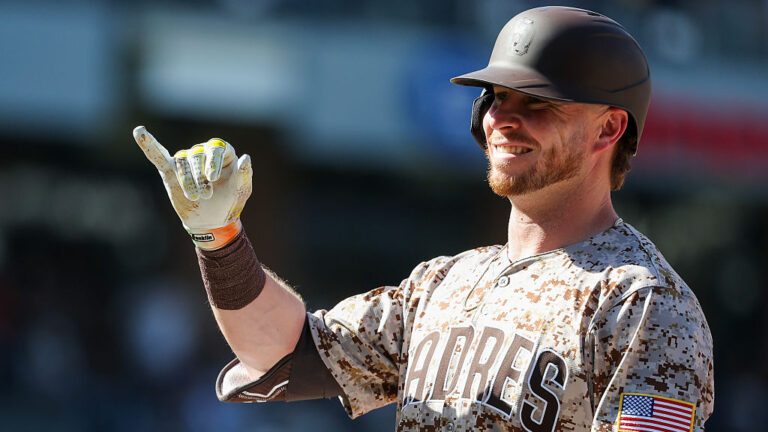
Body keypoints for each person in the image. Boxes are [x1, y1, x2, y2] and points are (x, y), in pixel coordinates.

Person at [134, 6, 713, 431]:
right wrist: (220, 240)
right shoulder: (444, 283)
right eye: (495, 99)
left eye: (538, 102)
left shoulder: (643, 303)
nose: (504, 119)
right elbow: (283, 352)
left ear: (609, 129)